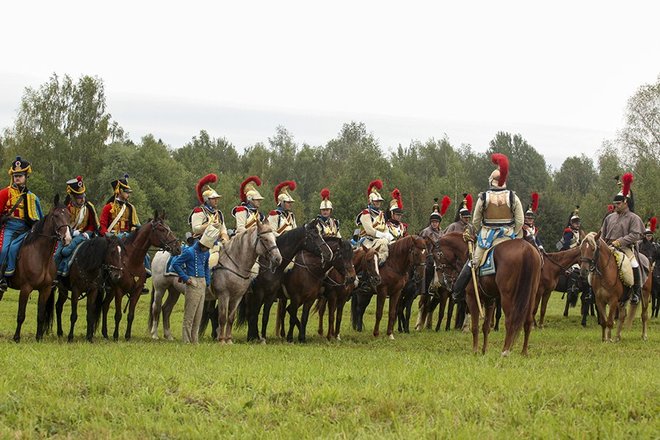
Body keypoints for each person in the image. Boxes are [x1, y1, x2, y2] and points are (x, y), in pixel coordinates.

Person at [452, 153, 524, 301]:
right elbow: (520, 220)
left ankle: (457, 292)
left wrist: (477, 231)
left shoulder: (483, 197)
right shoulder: (513, 197)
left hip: (487, 237)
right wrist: (514, 233)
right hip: (508, 236)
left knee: (473, 263)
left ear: (491, 181)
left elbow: (476, 220)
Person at [99, 174, 150, 289]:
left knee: (144, 254)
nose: (128, 194)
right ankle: (101, 279)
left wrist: (136, 232)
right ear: (119, 191)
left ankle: (143, 278)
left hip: (126, 237)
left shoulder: (130, 207)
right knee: (101, 255)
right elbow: (102, 225)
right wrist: (107, 234)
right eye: (126, 192)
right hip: (111, 237)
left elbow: (135, 224)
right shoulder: (108, 207)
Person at [600, 172, 645, 305]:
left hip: (626, 248)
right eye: (614, 204)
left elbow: (635, 234)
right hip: (608, 246)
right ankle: (592, 290)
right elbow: (602, 233)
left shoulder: (634, 218)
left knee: (634, 264)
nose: (615, 206)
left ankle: (636, 293)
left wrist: (619, 242)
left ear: (625, 202)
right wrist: (601, 244)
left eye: (618, 203)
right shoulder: (609, 217)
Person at [0, 156, 44, 292]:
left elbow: (40, 218)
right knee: (5, 249)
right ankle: (2, 277)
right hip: (9, 228)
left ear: (26, 177)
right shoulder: (5, 193)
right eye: (15, 176)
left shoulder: (32, 197)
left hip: (27, 229)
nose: (17, 178)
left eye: (20, 176)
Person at [171, 226, 213, 344]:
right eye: (206, 247)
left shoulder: (206, 253)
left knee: (199, 314)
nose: (207, 249)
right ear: (201, 244)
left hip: (202, 282)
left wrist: (207, 281)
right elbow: (176, 264)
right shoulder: (189, 252)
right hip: (192, 281)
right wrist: (185, 278)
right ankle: (186, 340)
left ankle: (195, 339)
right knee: (190, 314)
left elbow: (206, 267)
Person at [55, 176, 100, 277]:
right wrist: (71, 232)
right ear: (73, 197)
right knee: (57, 254)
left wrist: (87, 233)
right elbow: (62, 224)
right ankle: (54, 276)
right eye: (79, 197)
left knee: (66, 252)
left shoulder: (89, 207)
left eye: (83, 196)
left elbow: (93, 225)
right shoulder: (67, 207)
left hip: (83, 235)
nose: (82, 199)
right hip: (67, 235)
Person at [355, 179, 390, 263]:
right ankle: (379, 262)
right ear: (371, 201)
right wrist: (383, 235)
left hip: (381, 239)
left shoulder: (381, 214)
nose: (378, 203)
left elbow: (385, 227)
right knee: (382, 243)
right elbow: (369, 230)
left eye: (379, 201)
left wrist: (388, 235)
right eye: (376, 201)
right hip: (368, 241)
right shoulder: (365, 213)